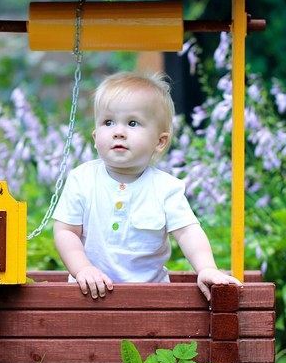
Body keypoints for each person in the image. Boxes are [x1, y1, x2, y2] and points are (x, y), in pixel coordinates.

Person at [52, 72, 242, 302]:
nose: (118, 132)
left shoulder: (165, 188)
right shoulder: (82, 179)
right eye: (108, 122)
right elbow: (65, 231)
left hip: (150, 299)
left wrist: (206, 268)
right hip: (88, 295)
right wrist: (83, 269)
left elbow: (187, 232)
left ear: (160, 142)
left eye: (132, 123)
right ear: (95, 137)